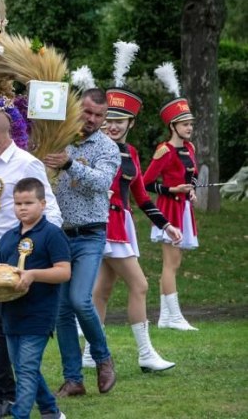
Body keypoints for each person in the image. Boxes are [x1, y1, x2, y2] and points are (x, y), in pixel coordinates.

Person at [0, 105, 63, 419]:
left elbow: (52, 211)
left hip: (18, 252)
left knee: (5, 325)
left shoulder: (25, 164)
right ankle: (6, 390)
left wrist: (39, 253)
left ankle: (4, 394)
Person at [86, 87, 178, 372]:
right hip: (103, 225)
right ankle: (145, 353)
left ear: (131, 123)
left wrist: (166, 224)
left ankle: (90, 354)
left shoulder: (132, 153)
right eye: (109, 119)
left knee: (102, 290)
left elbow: (141, 197)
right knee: (139, 285)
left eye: (120, 120)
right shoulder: (90, 146)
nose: (113, 125)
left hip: (121, 226)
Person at [42, 88, 120, 398]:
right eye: (87, 112)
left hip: (90, 233)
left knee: (79, 300)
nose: (92, 119)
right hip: (58, 235)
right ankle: (73, 379)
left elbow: (103, 182)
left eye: (98, 115)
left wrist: (69, 164)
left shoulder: (107, 147)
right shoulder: (57, 136)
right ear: (77, 107)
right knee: (61, 311)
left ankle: (102, 357)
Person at [0, 178, 71, 419]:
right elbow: (0, 273)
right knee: (23, 368)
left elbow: (64, 271)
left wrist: (33, 275)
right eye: (18, 203)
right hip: (11, 313)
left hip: (39, 313)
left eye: (29, 202)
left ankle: (21, 415)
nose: (22, 208)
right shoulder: (7, 237)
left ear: (43, 204)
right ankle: (50, 411)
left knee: (26, 369)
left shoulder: (52, 235)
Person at [143, 95, 200, 331]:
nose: (189, 128)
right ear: (173, 126)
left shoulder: (190, 148)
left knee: (174, 263)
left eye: (190, 124)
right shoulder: (163, 150)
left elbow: (192, 173)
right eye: (185, 124)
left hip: (184, 208)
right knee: (170, 263)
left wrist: (192, 190)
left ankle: (166, 318)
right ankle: (174, 317)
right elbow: (145, 183)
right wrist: (171, 189)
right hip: (168, 209)